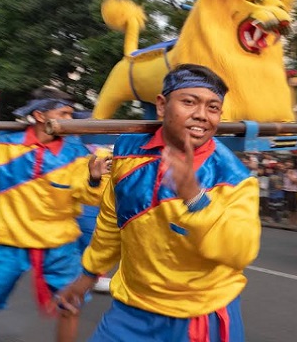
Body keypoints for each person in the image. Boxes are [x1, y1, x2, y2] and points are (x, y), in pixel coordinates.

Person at [56, 64, 261, 341]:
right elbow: (112, 222)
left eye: (213, 107)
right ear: (162, 106)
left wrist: (194, 196)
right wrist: (87, 277)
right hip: (130, 312)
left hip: (199, 318)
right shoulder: (127, 153)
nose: (201, 115)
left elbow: (241, 251)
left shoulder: (234, 177)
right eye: (189, 102)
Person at [0, 87, 110, 342]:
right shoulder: (3, 146)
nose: (70, 120)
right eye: (64, 113)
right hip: (7, 243)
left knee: (71, 306)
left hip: (59, 246)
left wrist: (94, 177)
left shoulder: (79, 156)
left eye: (71, 114)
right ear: (39, 115)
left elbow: (92, 197)